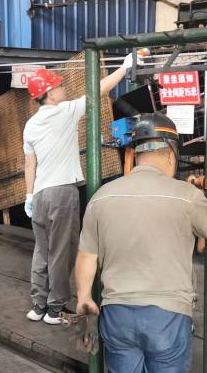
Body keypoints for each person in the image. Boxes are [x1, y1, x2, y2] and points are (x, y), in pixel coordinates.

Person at [73, 113, 207, 373]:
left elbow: (86, 256)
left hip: (116, 314)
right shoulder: (186, 196)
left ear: (136, 154)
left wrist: (84, 297)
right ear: (171, 154)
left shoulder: (101, 197)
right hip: (167, 316)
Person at [22, 50, 144, 325]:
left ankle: (38, 305)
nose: (63, 88)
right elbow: (97, 91)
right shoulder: (64, 111)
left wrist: (28, 195)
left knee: (41, 252)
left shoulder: (30, 125)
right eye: (59, 86)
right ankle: (55, 310)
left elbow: (30, 164)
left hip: (39, 195)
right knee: (61, 253)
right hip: (61, 193)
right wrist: (125, 68)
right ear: (50, 95)